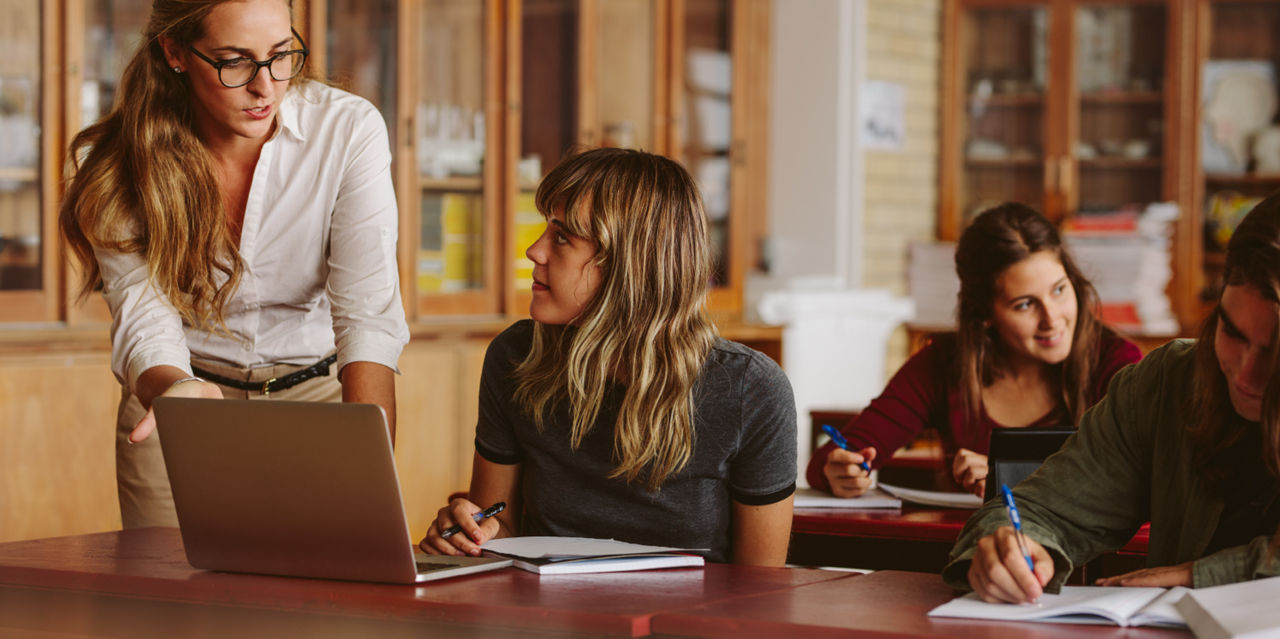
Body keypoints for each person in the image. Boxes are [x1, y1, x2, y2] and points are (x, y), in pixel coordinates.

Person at [58, 0, 409, 529]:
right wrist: (176, 391)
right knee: (174, 600)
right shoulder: (119, 160)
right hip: (181, 404)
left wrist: (371, 467)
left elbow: (367, 315)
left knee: (318, 601)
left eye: (281, 54)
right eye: (234, 61)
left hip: (318, 395)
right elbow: (144, 316)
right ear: (175, 52)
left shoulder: (347, 131)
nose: (266, 86)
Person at [417, 148, 797, 565]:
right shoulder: (515, 356)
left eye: (562, 237)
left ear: (629, 265)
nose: (534, 251)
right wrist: (469, 533)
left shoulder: (749, 389)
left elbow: (761, 589)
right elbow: (500, 528)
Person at [946, 192, 1280, 602]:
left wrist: (1203, 575)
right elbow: (1037, 510)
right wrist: (1007, 546)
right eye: (1232, 333)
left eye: (1274, 354)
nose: (1246, 373)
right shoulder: (1163, 384)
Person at [806, 203, 1141, 498]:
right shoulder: (943, 364)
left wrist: (1010, 477)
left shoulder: (1118, 364)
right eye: (1025, 305)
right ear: (984, 315)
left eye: (1059, 290)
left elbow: (1140, 476)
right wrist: (837, 470)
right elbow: (837, 455)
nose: (1052, 319)